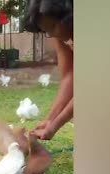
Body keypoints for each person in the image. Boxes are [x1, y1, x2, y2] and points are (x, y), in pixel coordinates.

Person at [23, 0, 74, 140]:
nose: (51, 34)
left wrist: (56, 124)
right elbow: (70, 75)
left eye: (53, 26)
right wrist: (51, 120)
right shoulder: (61, 33)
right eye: (46, 31)